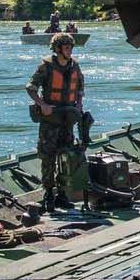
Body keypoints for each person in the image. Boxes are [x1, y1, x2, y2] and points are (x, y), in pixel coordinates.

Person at [26, 33, 91, 210]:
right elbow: (31, 88)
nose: (70, 51)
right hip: (50, 119)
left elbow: (80, 90)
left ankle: (63, 194)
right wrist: (42, 104)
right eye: (66, 47)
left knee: (67, 155)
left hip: (68, 118)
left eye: (71, 47)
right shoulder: (45, 67)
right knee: (48, 157)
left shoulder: (75, 66)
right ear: (57, 49)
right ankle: (48, 194)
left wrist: (78, 106)